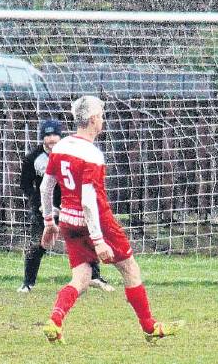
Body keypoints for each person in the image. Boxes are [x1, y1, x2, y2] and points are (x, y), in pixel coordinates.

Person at [39, 96, 183, 344]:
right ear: (94, 119)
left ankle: (55, 320)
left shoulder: (61, 147)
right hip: (97, 222)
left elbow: (46, 186)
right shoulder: (92, 155)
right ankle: (149, 327)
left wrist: (49, 221)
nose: (103, 120)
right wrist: (98, 240)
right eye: (102, 116)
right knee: (130, 269)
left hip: (68, 222)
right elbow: (87, 200)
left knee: (81, 278)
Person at [17, 119, 113, 293]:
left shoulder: (69, 155)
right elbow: (25, 185)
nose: (52, 139)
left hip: (70, 205)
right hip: (44, 208)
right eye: (48, 135)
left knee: (86, 238)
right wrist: (38, 204)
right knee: (37, 243)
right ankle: (28, 282)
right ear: (42, 138)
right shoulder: (32, 158)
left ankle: (95, 276)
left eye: (55, 135)